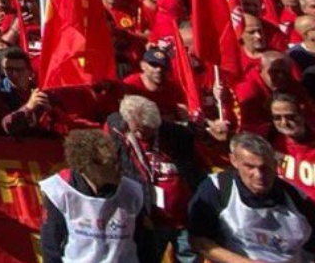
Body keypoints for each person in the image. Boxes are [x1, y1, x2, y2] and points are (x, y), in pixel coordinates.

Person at [188, 131, 315, 263]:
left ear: (276, 164)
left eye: (265, 168)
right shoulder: (218, 189)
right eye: (250, 167)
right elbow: (199, 241)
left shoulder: (296, 198)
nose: (259, 175)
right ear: (234, 161)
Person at [107, 95, 202, 263]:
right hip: (148, 221)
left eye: (146, 129)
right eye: (137, 129)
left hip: (183, 218)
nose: (141, 134)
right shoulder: (118, 136)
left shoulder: (177, 135)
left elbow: (196, 168)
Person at [38, 129, 144, 263]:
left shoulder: (132, 191)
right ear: (87, 167)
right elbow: (50, 245)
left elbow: (145, 242)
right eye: (110, 165)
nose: (119, 168)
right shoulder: (60, 191)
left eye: (117, 162)